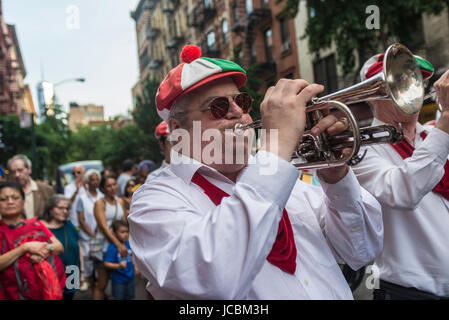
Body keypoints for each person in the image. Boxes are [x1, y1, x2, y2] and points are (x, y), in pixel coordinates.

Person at [128, 45, 383, 299]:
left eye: (242, 101)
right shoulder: (153, 200)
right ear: (177, 127)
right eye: (218, 106)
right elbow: (213, 279)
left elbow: (361, 250)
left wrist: (336, 176)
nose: (238, 112)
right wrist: (278, 145)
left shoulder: (286, 180)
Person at [353, 53, 449, 300]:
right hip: (405, 293)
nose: (413, 90)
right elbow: (403, 192)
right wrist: (446, 123)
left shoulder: (433, 137)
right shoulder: (360, 148)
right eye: (399, 82)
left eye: (418, 82)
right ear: (371, 96)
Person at [0, 181, 65, 300]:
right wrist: (25, 248)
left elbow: (59, 247)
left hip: (46, 292)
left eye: (15, 197)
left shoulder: (36, 224)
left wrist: (43, 250)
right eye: (4, 199)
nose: (10, 202)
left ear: (23, 201)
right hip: (12, 294)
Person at [40, 194, 83, 300]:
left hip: (72, 271)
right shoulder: (40, 226)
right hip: (50, 274)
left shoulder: (69, 225)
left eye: (67, 208)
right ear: (50, 209)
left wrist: (82, 271)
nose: (65, 211)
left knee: (68, 297)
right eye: (60, 208)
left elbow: (79, 247)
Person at [92, 175, 127, 300]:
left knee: (119, 278)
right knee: (102, 283)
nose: (112, 188)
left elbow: (124, 223)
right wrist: (119, 244)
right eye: (108, 185)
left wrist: (125, 242)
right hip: (104, 246)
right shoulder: (99, 203)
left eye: (114, 184)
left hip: (119, 244)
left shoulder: (120, 201)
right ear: (103, 188)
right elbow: (104, 227)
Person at [76, 169, 104, 291]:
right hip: (88, 237)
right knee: (88, 263)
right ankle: (92, 287)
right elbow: (81, 219)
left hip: (101, 235)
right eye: (92, 179)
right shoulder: (81, 198)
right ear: (87, 182)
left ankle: (98, 290)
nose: (95, 182)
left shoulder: (102, 196)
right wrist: (91, 233)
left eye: (97, 179)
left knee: (99, 264)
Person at [7, 154, 54, 219]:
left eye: (20, 170)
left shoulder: (46, 190)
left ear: (29, 169)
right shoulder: (7, 193)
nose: (16, 175)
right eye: (13, 172)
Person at [104, 220, 135, 300]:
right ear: (114, 233)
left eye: (127, 231)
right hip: (118, 281)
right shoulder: (112, 247)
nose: (125, 234)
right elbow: (106, 263)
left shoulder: (128, 243)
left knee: (130, 297)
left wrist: (136, 267)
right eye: (122, 232)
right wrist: (118, 265)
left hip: (130, 278)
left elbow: (131, 256)